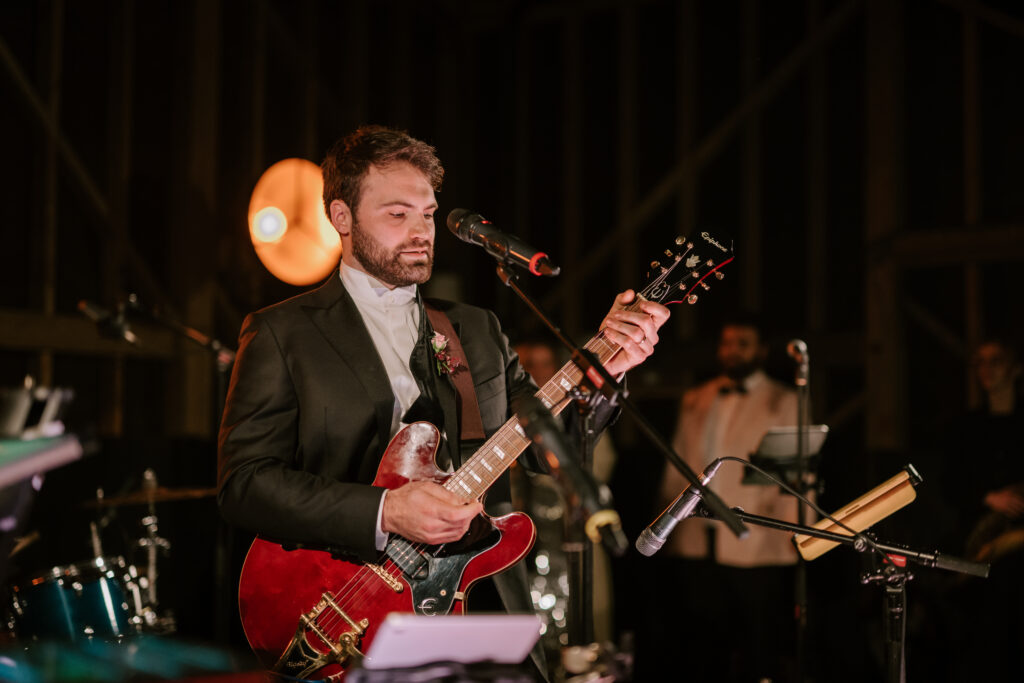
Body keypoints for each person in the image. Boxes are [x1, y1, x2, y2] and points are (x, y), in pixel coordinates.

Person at [216, 125, 669, 680]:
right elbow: (244, 484)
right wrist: (385, 511)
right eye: (397, 214)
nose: (420, 231)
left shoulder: (475, 330)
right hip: (343, 605)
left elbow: (551, 446)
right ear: (341, 217)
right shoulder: (282, 333)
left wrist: (604, 372)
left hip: (480, 602)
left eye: (428, 214)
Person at [635, 313, 799, 682]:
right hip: (698, 539)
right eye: (727, 343)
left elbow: (793, 479)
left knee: (760, 645)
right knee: (702, 645)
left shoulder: (785, 399)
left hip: (757, 542)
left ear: (760, 350)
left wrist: (793, 539)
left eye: (742, 344)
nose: (733, 352)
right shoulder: (697, 396)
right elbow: (676, 465)